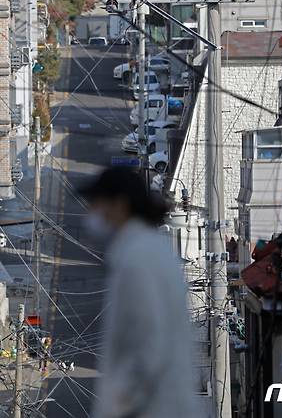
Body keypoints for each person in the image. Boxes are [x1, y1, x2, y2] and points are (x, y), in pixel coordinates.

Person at [80, 167, 198, 418]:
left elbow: (148, 344)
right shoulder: (150, 248)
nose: (92, 215)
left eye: (97, 205)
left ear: (120, 205)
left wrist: (120, 406)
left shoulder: (137, 257)